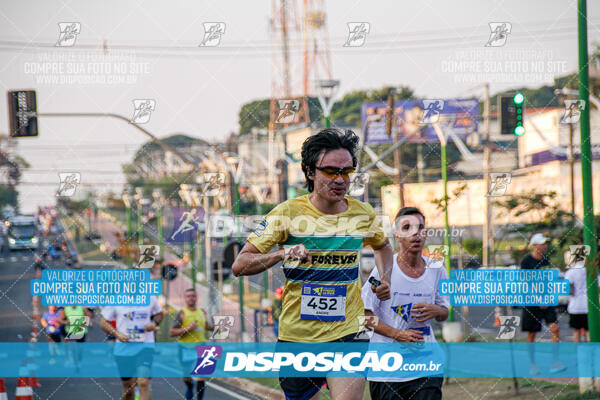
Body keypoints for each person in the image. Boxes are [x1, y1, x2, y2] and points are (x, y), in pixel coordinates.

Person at [232, 128, 394, 400]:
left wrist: (385, 277)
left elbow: (383, 247)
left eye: (347, 171)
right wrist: (280, 254)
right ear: (310, 172)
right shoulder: (287, 213)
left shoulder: (362, 213)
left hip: (347, 332)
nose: (340, 179)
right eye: (330, 171)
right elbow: (240, 264)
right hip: (298, 337)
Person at [362, 207, 448, 400]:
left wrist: (435, 310)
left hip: (426, 367)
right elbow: (365, 317)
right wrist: (397, 334)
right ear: (397, 235)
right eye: (407, 227)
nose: (415, 233)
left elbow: (445, 313)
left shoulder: (437, 268)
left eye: (420, 228)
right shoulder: (382, 271)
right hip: (387, 371)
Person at [100, 297, 163, 400]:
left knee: (143, 382)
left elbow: (159, 314)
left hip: (145, 345)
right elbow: (103, 322)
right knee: (129, 387)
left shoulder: (150, 297)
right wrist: (117, 334)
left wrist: (154, 323)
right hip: (123, 349)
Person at [520, 233, 564, 374]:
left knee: (555, 328)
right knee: (532, 334)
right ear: (534, 245)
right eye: (542, 243)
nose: (545, 246)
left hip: (547, 301)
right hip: (532, 303)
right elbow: (524, 283)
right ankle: (532, 364)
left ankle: (555, 362)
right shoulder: (526, 262)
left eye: (546, 243)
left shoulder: (546, 260)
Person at [169, 289, 214, 400]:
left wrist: (218, 328)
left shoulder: (202, 312)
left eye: (193, 296)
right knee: (187, 376)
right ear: (185, 299)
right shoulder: (182, 313)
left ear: (196, 298)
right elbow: (172, 332)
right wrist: (187, 328)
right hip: (185, 348)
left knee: (201, 375)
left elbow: (206, 326)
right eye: (188, 296)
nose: (191, 298)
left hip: (201, 346)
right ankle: (189, 388)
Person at [564, 248, 600, 342]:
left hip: (575, 307)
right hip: (589, 307)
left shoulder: (570, 272)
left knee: (576, 331)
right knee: (589, 331)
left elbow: (567, 290)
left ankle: (578, 353)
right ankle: (591, 353)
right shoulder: (592, 270)